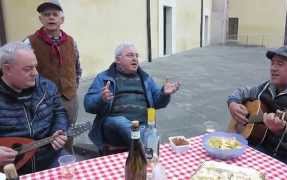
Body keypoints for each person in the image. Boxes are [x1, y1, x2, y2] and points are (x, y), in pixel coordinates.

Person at [227, 46, 287, 178]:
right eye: (272, 63)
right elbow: (243, 91)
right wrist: (233, 102)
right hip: (266, 148)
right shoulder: (268, 86)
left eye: (280, 64)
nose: (273, 68)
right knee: (228, 165)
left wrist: (284, 133)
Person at [84, 43, 180, 152]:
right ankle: (144, 143)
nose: (135, 59)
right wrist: (101, 99)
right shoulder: (104, 78)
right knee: (119, 121)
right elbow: (88, 104)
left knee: (145, 130)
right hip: (113, 127)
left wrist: (164, 94)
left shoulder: (146, 78)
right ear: (118, 60)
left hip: (142, 124)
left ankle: (141, 141)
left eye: (136, 56)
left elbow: (157, 103)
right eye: (130, 55)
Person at [0, 42, 68, 174]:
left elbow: (59, 112)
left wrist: (59, 129)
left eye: (35, 67)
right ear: (7, 69)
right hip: (11, 169)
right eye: (28, 69)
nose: (35, 73)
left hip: (50, 158)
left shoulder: (47, 87)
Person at [23, 0, 81, 151]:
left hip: (69, 99)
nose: (51, 18)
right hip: (42, 99)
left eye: (55, 14)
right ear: (40, 19)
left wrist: (72, 89)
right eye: (46, 14)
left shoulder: (71, 41)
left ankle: (68, 163)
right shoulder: (29, 43)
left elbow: (77, 68)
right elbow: (24, 71)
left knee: (67, 137)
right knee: (44, 138)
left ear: (62, 19)